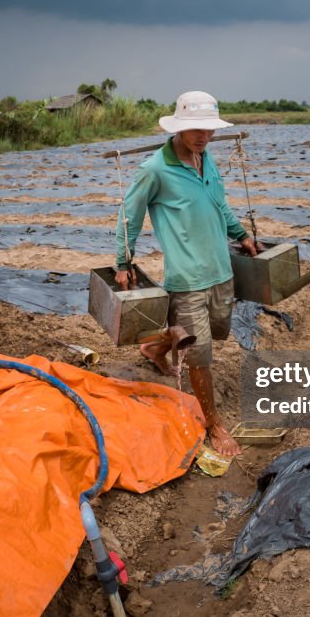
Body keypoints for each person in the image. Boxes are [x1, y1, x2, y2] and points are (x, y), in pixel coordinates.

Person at [115, 90, 259, 457]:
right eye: (195, 129)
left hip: (221, 270)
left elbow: (219, 204)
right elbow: (128, 215)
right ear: (179, 127)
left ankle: (156, 346)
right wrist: (123, 262)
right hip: (187, 277)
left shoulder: (205, 158)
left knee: (218, 330)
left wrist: (241, 235)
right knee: (200, 355)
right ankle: (214, 424)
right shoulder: (154, 170)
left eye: (208, 130)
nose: (203, 136)